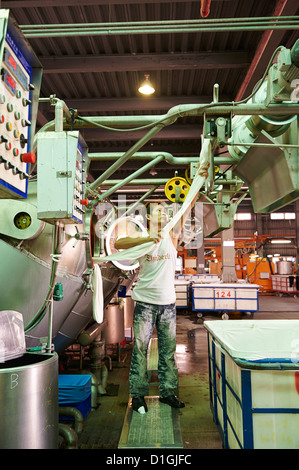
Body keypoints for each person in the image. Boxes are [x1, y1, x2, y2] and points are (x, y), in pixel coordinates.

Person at [115, 196, 199, 414]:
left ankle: (168, 393)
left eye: (165, 210)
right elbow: (118, 243)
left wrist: (199, 179)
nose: (164, 213)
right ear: (149, 217)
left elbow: (187, 206)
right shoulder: (141, 236)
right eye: (159, 211)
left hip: (168, 305)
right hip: (144, 303)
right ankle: (138, 396)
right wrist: (146, 239)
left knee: (168, 352)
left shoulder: (172, 233)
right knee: (140, 351)